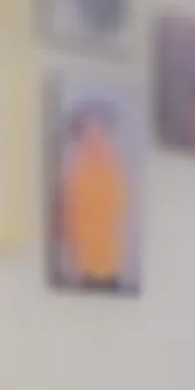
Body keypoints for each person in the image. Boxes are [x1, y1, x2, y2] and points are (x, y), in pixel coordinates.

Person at [52, 93, 135, 292]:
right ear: (81, 133)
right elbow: (66, 223)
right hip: (82, 271)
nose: (96, 136)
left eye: (101, 129)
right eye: (90, 130)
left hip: (110, 269)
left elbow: (118, 210)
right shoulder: (74, 170)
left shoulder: (114, 168)